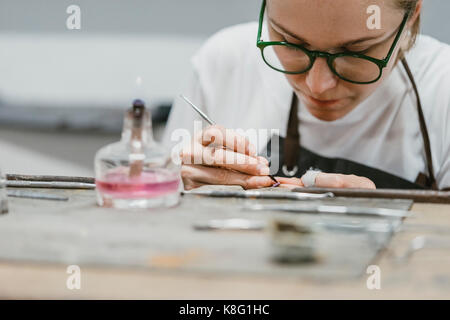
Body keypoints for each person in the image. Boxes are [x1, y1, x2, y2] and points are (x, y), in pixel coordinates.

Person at [163, 0, 450, 191]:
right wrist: (183, 195)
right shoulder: (225, 63)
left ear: (412, 15)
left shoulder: (441, 87)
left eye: (355, 52)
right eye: (290, 43)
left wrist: (392, 224)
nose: (318, 85)